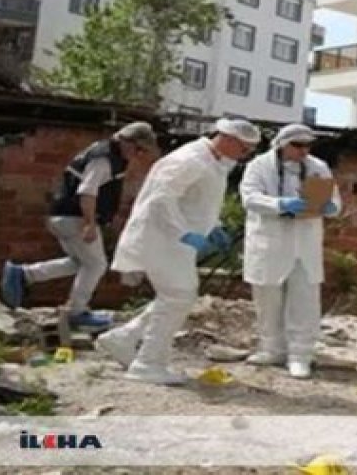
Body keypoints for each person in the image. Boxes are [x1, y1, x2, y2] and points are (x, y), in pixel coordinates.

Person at [93, 118, 261, 385]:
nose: (246, 156)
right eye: (244, 149)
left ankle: (123, 339)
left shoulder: (212, 161)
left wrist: (213, 227)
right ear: (228, 139)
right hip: (162, 238)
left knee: (175, 296)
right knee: (180, 295)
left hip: (173, 242)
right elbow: (162, 200)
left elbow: (197, 202)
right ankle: (148, 364)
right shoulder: (190, 160)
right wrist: (184, 232)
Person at [1, 122, 158, 329]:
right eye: (138, 149)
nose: (138, 154)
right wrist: (89, 223)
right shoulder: (104, 159)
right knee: (96, 264)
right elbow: (87, 192)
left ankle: (24, 274)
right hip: (74, 217)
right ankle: (77, 311)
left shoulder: (106, 154)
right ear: (125, 141)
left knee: (80, 262)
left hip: (63, 216)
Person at [239, 123, 342, 379]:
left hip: (304, 243)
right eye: (297, 145)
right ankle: (271, 348)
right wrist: (280, 204)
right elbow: (249, 197)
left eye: (307, 145)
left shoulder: (318, 167)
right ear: (282, 144)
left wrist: (330, 206)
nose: (303, 151)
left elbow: (336, 201)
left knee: (304, 300)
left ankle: (300, 355)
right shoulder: (259, 166)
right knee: (267, 298)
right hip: (270, 242)